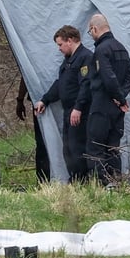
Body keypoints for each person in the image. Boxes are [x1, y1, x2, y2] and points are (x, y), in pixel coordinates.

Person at [34, 25, 93, 184]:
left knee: (77, 147)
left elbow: (86, 85)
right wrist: (45, 99)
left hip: (80, 112)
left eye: (60, 44)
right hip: (69, 110)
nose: (59, 49)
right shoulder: (68, 61)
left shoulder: (85, 58)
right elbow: (61, 84)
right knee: (68, 149)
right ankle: (74, 179)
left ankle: (83, 181)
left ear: (70, 40)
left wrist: (78, 108)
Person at [85, 14, 130, 186]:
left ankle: (102, 185)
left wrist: (118, 97)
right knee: (113, 148)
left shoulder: (101, 50)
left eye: (90, 32)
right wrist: (121, 98)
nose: (90, 35)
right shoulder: (121, 48)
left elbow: (108, 77)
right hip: (116, 109)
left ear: (94, 29)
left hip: (102, 106)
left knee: (96, 147)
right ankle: (117, 184)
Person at [17, 78, 50, 183]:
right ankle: (43, 180)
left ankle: (46, 180)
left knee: (43, 143)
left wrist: (20, 99)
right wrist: (20, 99)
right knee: (41, 143)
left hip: (52, 97)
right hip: (38, 99)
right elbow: (26, 74)